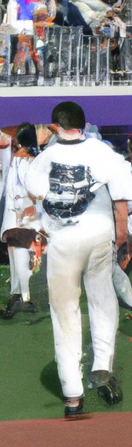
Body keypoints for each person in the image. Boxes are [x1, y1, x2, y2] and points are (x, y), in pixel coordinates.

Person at [25, 100, 132, 417]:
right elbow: (122, 197)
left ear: (56, 128)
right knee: (102, 300)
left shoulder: (43, 160)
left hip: (63, 246)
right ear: (82, 127)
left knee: (65, 317)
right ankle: (101, 365)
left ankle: (73, 396)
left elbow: (37, 198)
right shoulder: (102, 153)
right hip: (99, 239)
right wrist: (122, 238)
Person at [1, 123, 43, 318]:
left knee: (18, 255)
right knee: (22, 255)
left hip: (19, 215)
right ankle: (21, 295)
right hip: (29, 215)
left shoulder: (19, 160)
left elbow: (18, 189)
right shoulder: (33, 160)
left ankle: (22, 295)